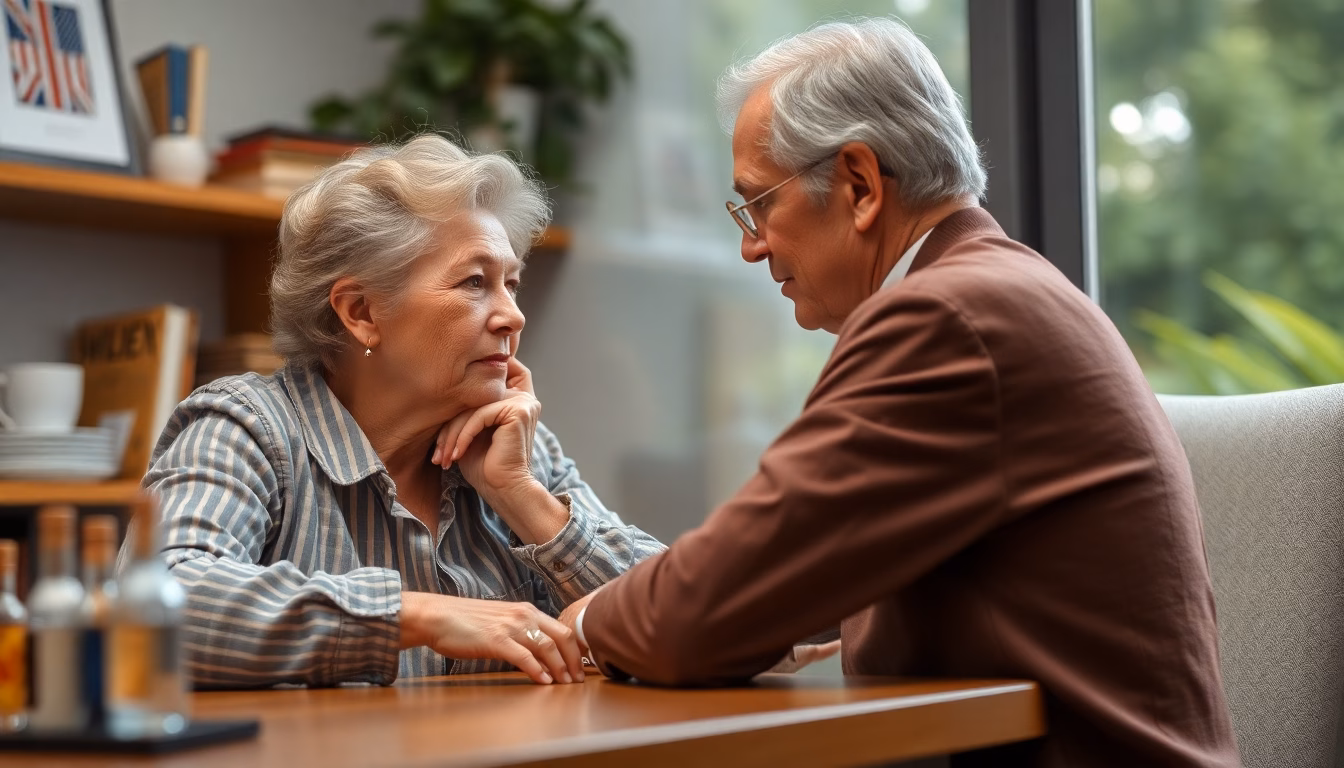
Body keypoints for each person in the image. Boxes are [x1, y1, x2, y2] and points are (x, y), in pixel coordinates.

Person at [558, 17, 1240, 767]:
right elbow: (771, 581)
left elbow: (704, 607)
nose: (752, 245)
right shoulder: (998, 289)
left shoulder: (947, 317)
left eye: (758, 205)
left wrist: (584, 624)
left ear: (858, 184)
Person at [136, 135, 663, 688]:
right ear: (361, 312)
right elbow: (159, 604)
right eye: (475, 282)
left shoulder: (519, 447)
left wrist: (523, 498)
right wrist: (416, 615)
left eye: (512, 284)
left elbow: (689, 615)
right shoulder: (246, 429)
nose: (513, 316)